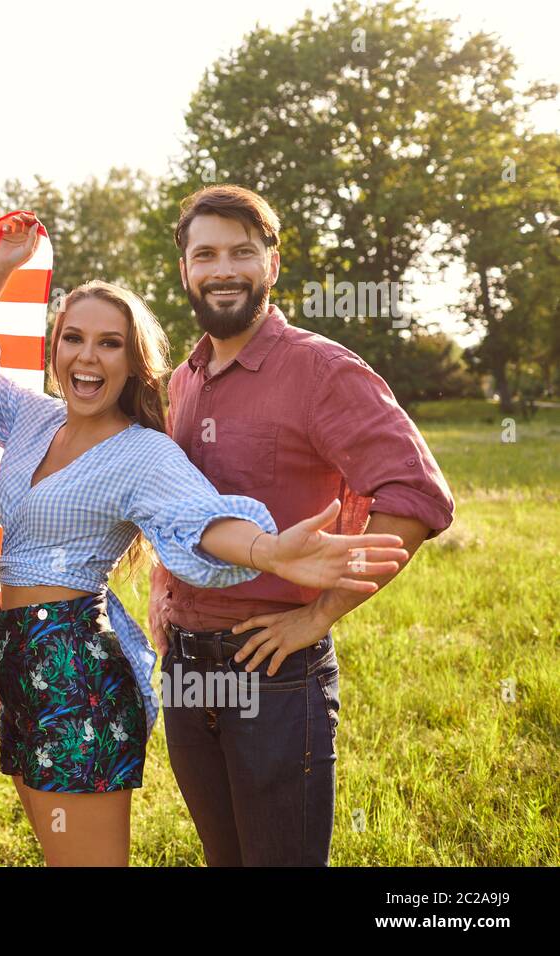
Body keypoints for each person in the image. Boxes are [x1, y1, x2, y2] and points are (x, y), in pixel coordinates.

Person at [0, 214, 409, 865]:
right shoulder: (32, 418)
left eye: (109, 344)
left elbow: (199, 516)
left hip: (77, 666)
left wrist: (267, 550)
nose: (87, 355)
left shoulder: (142, 452)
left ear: (135, 362)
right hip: (18, 660)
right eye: (73, 338)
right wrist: (1, 267)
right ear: (54, 348)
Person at [147, 184, 456, 865]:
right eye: (206, 254)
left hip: (277, 677)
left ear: (273, 264)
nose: (222, 269)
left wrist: (318, 616)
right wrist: (161, 591)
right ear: (185, 270)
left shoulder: (321, 370)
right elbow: (172, 507)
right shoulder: (183, 380)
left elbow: (417, 496)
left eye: (241, 252)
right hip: (187, 674)